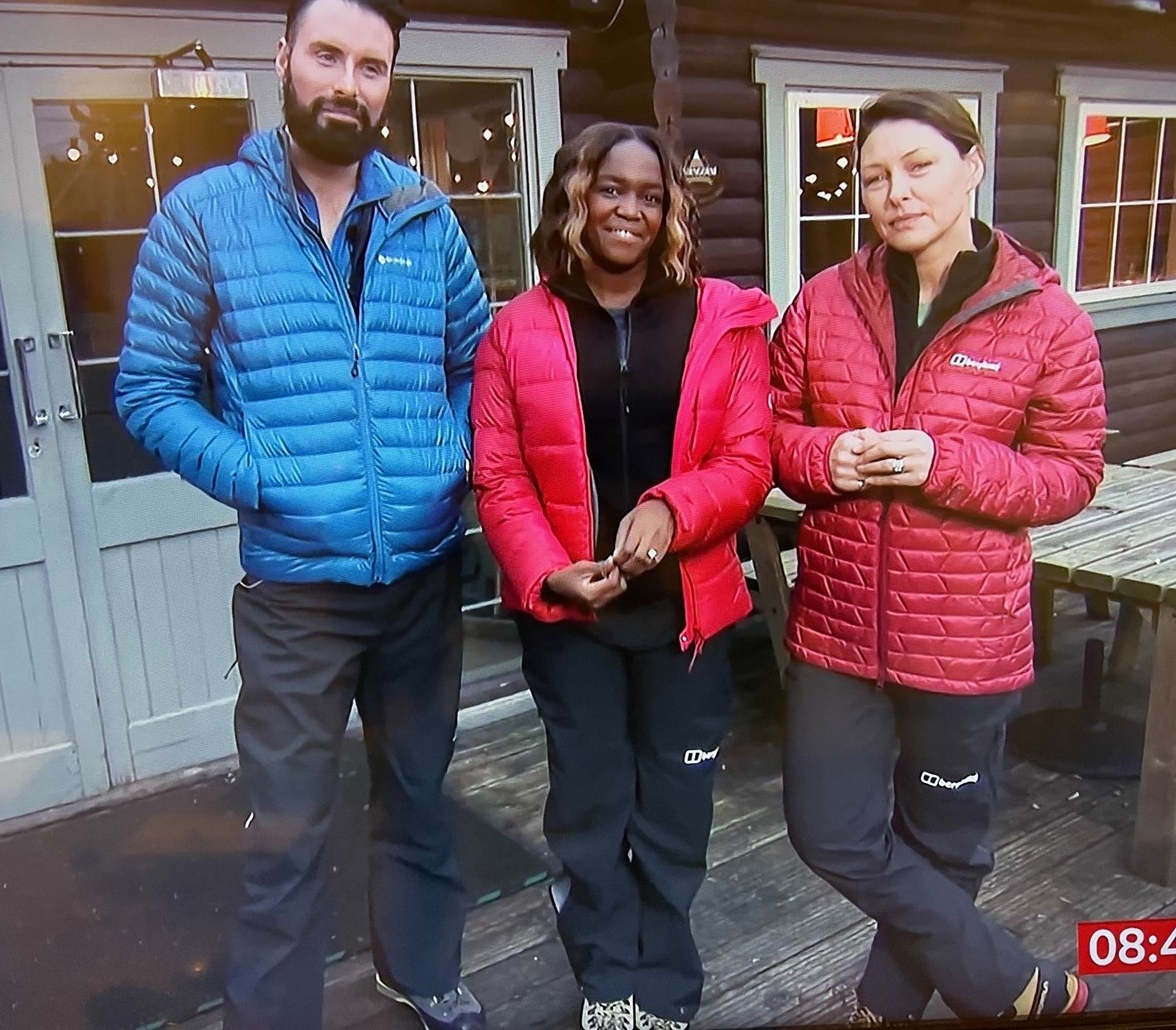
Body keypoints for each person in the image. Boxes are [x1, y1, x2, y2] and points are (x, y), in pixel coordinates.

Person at [115, 0, 489, 1030]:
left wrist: (446, 450)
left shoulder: (424, 216)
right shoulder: (204, 216)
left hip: (421, 579)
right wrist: (262, 476)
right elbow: (147, 388)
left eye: (371, 67)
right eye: (328, 56)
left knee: (419, 797)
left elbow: (479, 359)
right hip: (294, 598)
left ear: (388, 86)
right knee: (286, 826)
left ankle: (418, 970)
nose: (348, 83)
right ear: (282, 60)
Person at [769, 91, 1106, 1025]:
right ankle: (1011, 985)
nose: (893, 192)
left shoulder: (1044, 316)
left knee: (945, 842)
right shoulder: (824, 301)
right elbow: (771, 433)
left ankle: (883, 1011)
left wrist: (941, 463)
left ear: (973, 165)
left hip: (965, 634)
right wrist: (820, 458)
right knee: (830, 831)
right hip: (839, 624)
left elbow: (1071, 473)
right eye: (874, 176)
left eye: (917, 166)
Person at [470, 123, 774, 1030]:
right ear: (575, 196)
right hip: (575, 624)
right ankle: (609, 982)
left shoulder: (723, 318)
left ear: (669, 209)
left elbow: (749, 458)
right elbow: (498, 474)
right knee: (593, 807)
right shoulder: (513, 330)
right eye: (611, 189)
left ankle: (667, 985)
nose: (630, 210)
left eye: (650, 195)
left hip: (689, 612)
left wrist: (675, 509)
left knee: (677, 805)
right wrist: (548, 570)